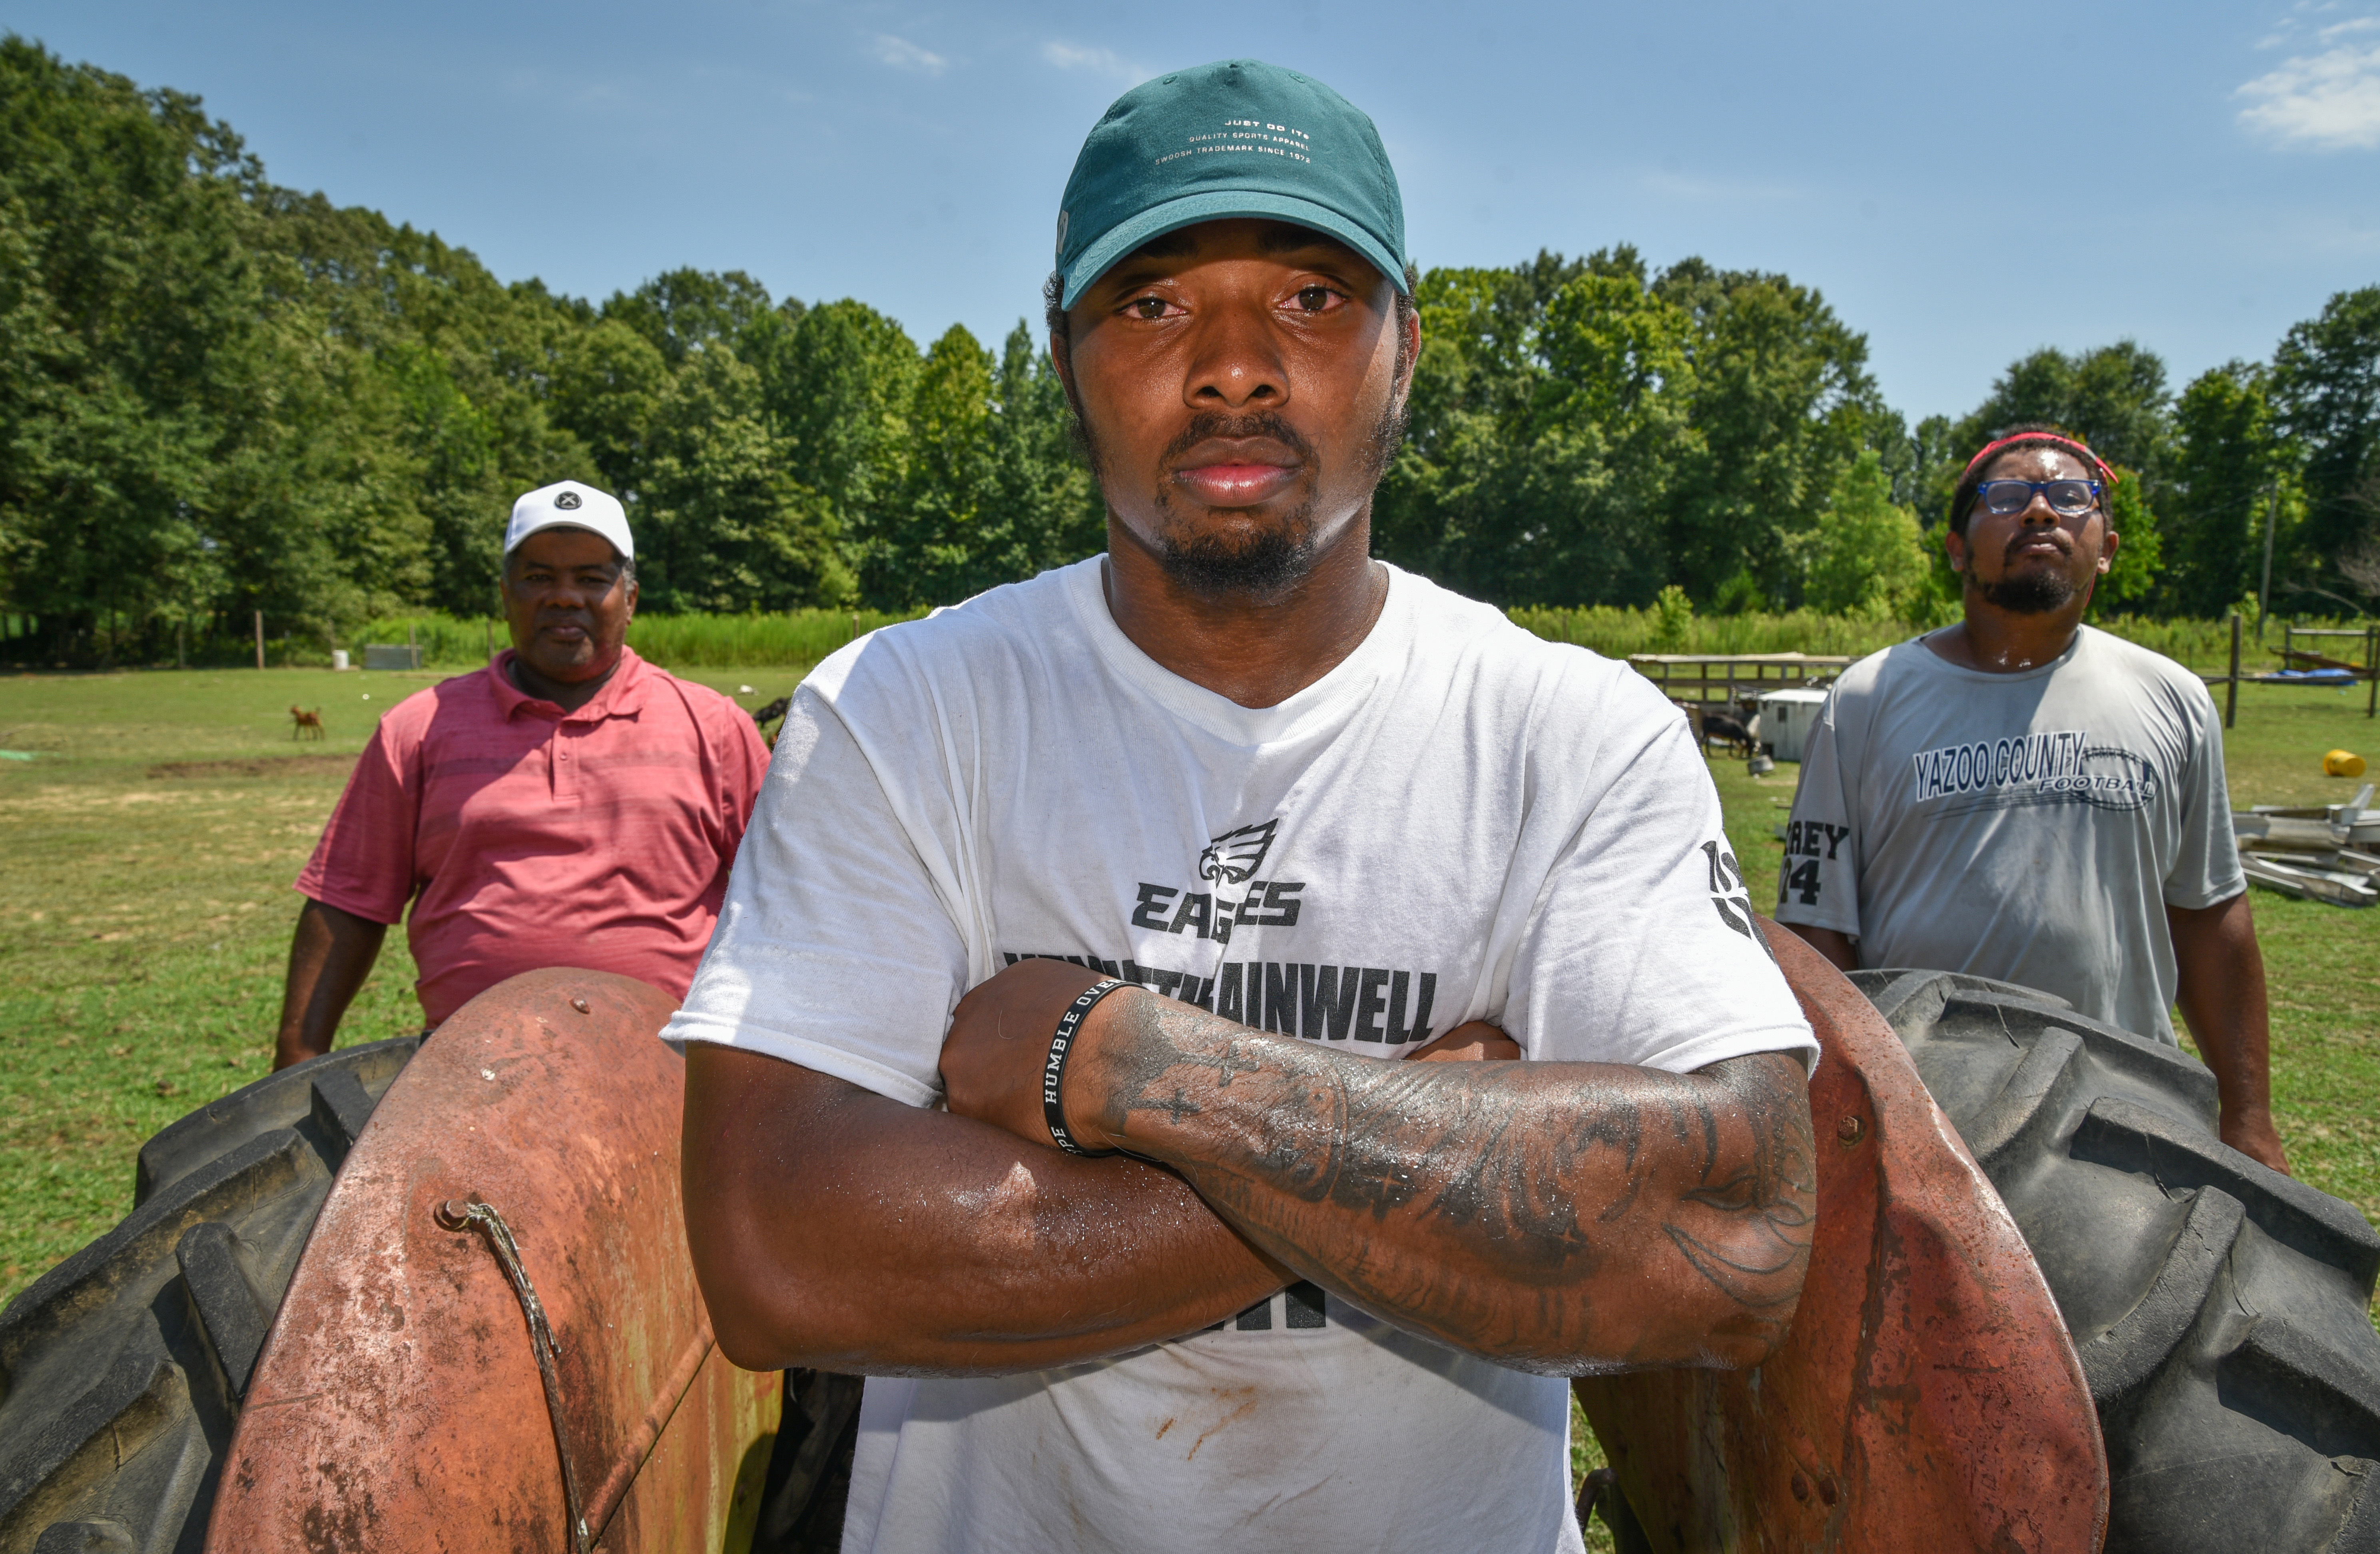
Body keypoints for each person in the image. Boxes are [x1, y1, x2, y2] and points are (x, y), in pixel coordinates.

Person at [669, 60, 1817, 1554]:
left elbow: (1730, 1237)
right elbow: (775, 1251)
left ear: (1407, 346)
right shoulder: (904, 709)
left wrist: (1129, 1060)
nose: (1230, 367)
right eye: (1151, 304)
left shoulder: (1572, 734)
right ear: (1060, 351)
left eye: (1309, 300)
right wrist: (1443, 1127)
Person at [1776, 426, 2288, 1172]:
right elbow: (1816, 926)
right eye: (2008, 497)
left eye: (2072, 499)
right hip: (1929, 1111)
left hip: (2129, 1107)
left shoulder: (2170, 698)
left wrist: (2248, 1117)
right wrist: (1865, 1097)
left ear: (2105, 547)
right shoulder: (1865, 699)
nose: (2042, 512)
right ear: (1956, 547)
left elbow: (2208, 913)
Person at [275, 480, 771, 1068]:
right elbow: (347, 902)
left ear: (630, 598)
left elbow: (788, 897)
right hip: (472, 1072)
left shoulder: (711, 725)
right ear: (505, 596)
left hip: (669, 1068)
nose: (564, 598)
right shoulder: (419, 729)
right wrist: (298, 1058)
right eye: (539, 578)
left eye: (591, 578)